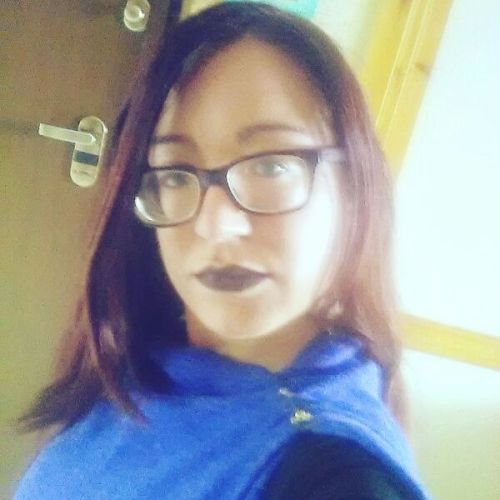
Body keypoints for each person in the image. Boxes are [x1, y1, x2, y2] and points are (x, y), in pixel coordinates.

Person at [14, 3, 429, 499]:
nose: (216, 225)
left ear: (355, 188)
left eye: (270, 166)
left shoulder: (338, 478)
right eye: (174, 173)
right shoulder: (145, 354)